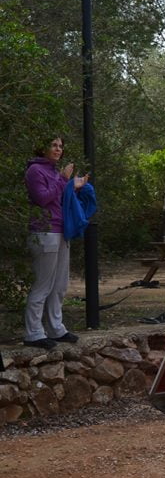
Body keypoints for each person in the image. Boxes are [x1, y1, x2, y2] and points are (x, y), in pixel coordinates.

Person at [23, 136, 89, 349]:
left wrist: (74, 186)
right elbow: (42, 198)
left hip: (62, 231)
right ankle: (33, 332)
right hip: (44, 232)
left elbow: (59, 197)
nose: (58, 149)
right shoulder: (35, 171)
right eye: (53, 145)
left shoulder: (52, 171)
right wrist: (62, 179)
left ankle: (55, 328)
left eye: (60, 146)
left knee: (59, 285)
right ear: (42, 148)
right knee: (44, 284)